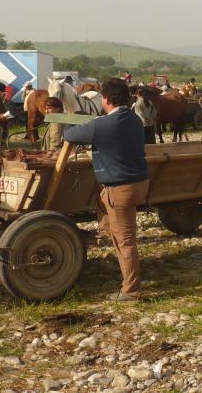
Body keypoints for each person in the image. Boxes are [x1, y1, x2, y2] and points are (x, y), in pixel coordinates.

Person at [63, 78, 149, 302]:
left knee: (126, 240)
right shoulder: (134, 120)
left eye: (102, 97)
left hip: (120, 187)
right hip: (137, 183)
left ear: (107, 99)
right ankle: (106, 234)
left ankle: (131, 290)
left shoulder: (103, 125)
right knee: (104, 203)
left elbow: (70, 135)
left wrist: (69, 123)